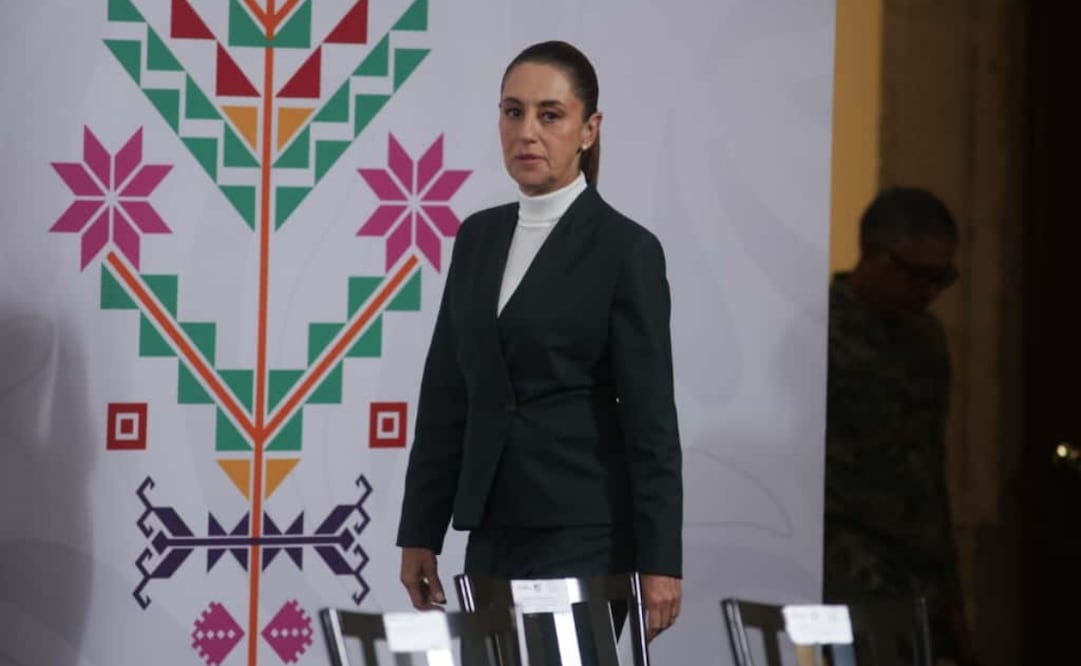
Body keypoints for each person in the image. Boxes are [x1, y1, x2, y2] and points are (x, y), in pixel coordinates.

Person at [395, 39, 683, 647]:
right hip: (492, 529)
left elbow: (652, 420)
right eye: (512, 111)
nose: (527, 131)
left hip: (586, 533)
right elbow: (447, 397)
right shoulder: (476, 238)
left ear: (588, 129)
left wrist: (661, 561)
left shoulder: (625, 250)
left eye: (550, 115)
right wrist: (420, 529)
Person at [822, 187, 975, 665]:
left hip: (921, 573)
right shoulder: (822, 328)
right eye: (917, 275)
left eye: (942, 278)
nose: (929, 292)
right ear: (875, 255)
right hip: (850, 568)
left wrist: (952, 598)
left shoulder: (926, 340)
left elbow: (931, 466)